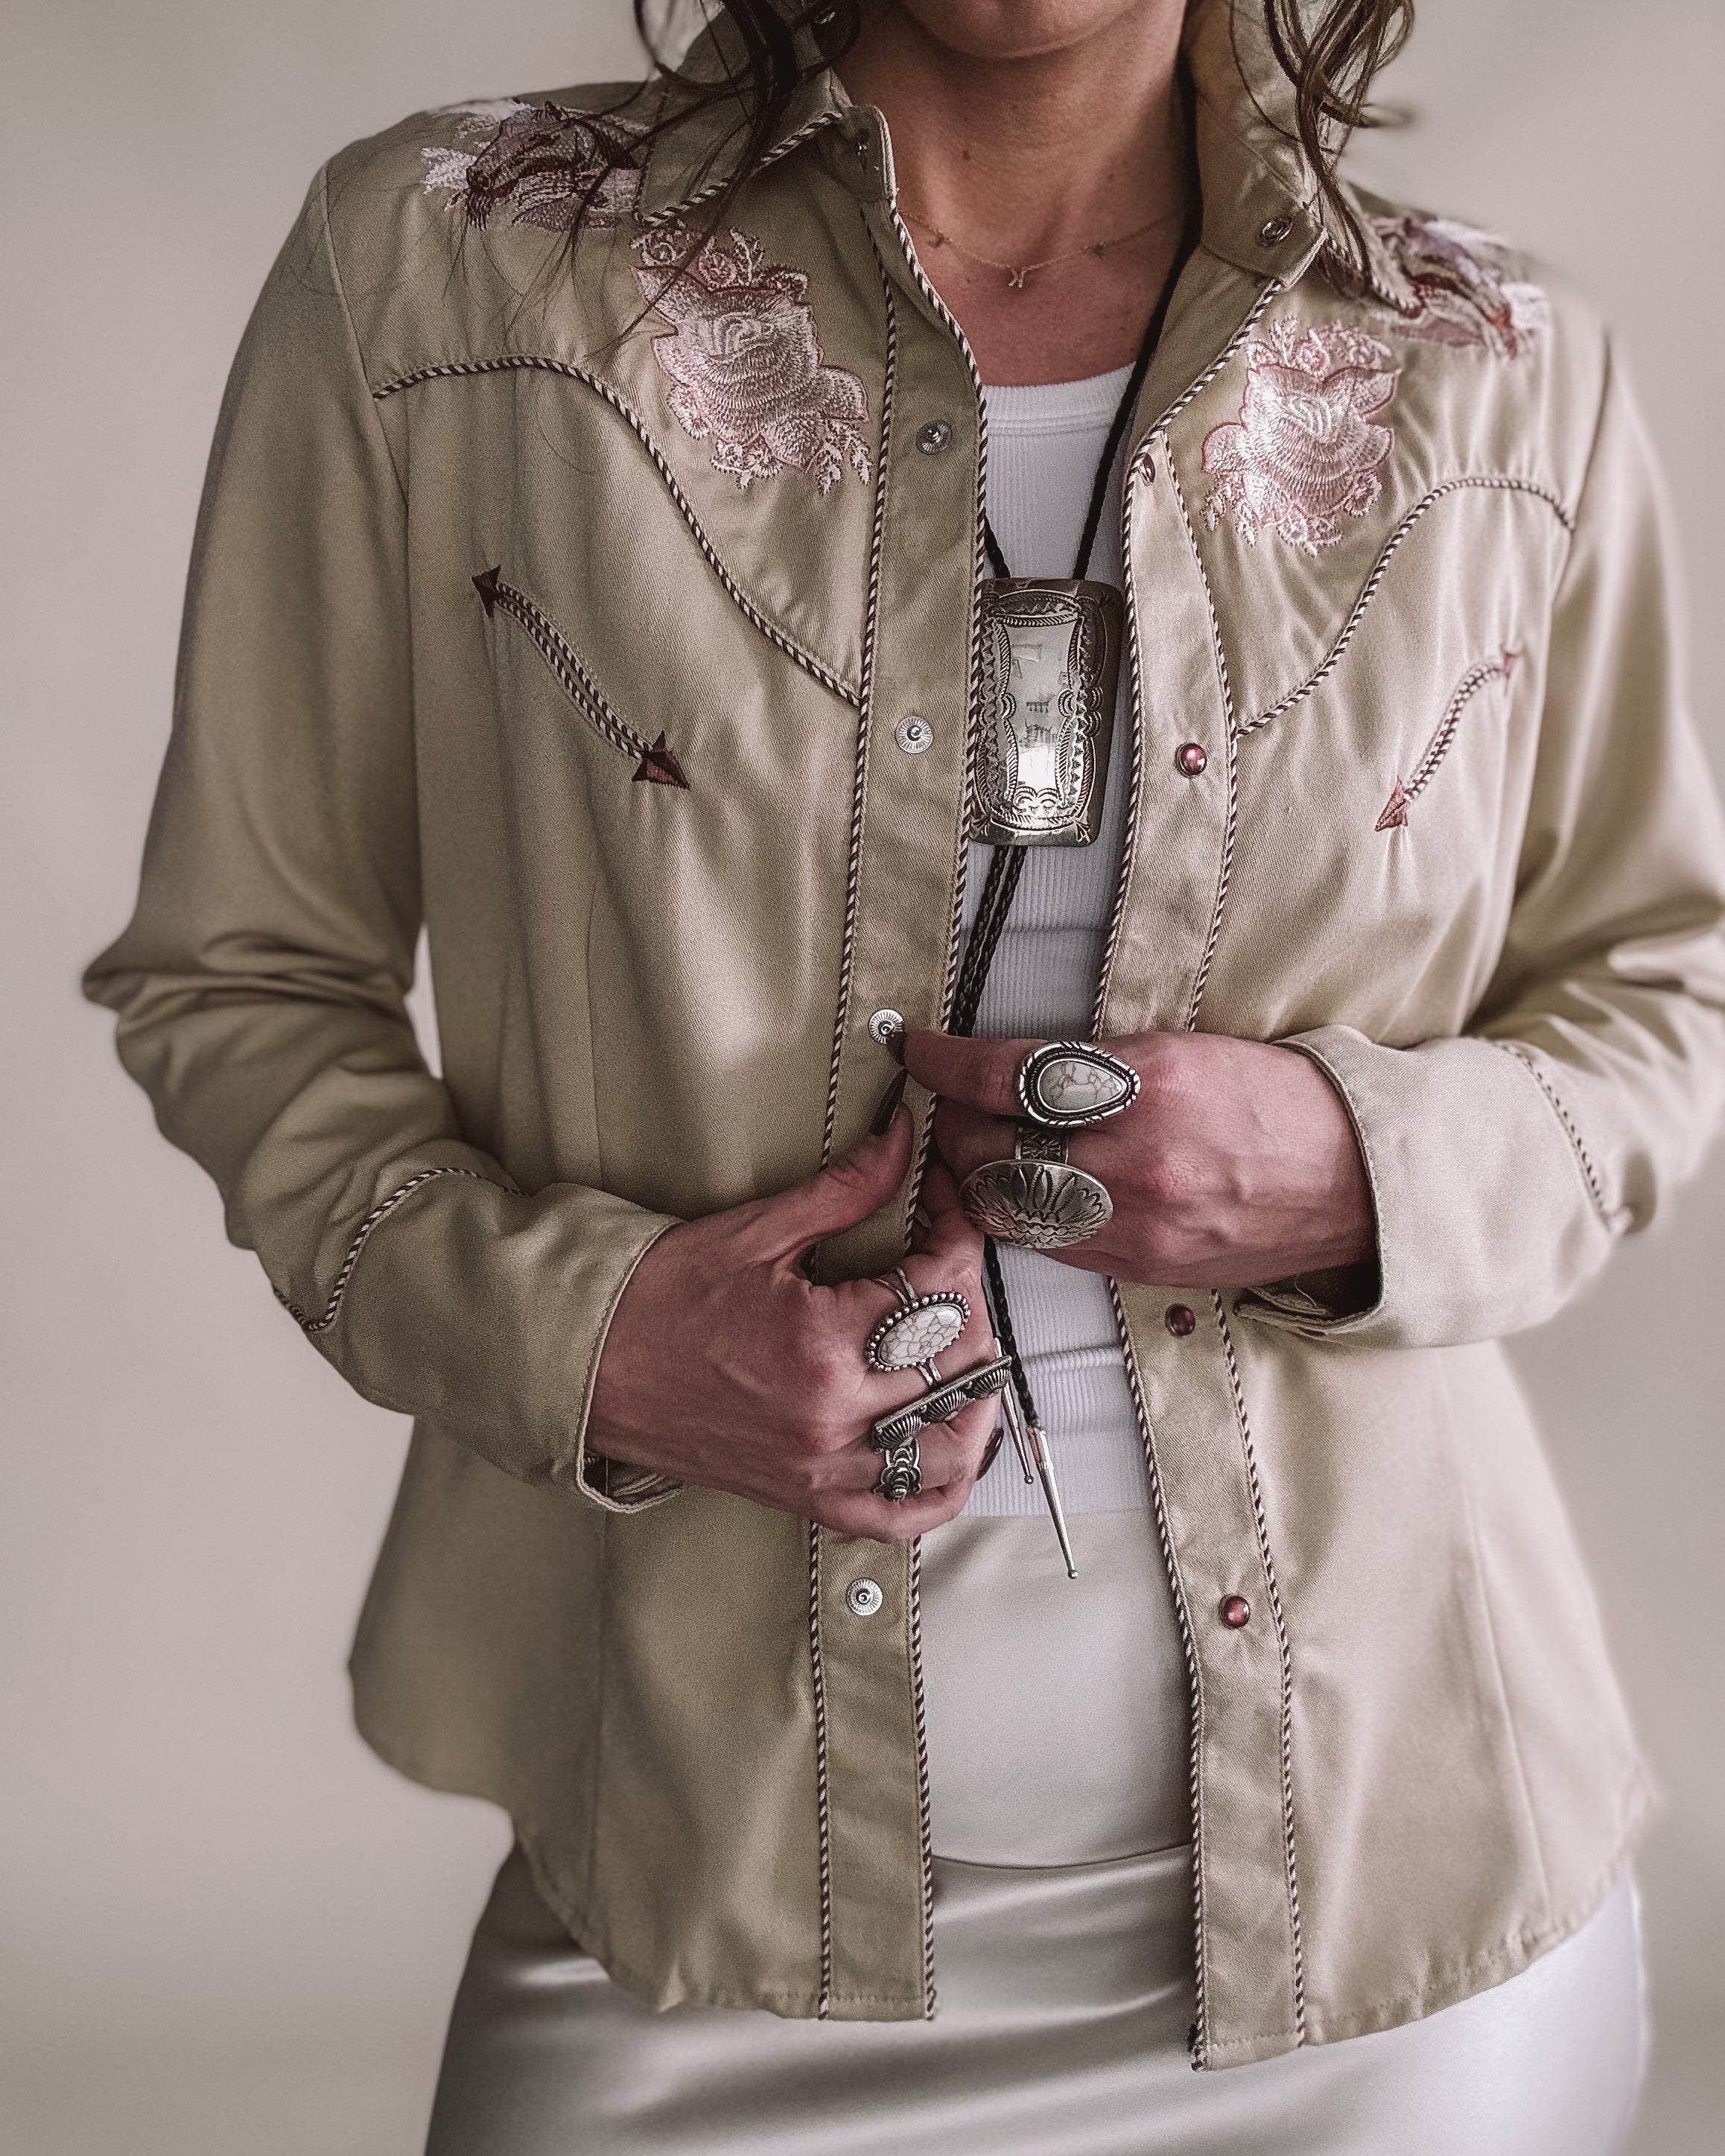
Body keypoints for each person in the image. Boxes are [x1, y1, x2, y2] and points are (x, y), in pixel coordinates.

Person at [84, 0, 1725, 2148]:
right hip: (700, 1878)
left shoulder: (1495, 362)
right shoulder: (453, 267)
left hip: (1390, 1926)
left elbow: (1656, 994)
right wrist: (587, 1337)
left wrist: (1360, 1164)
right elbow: (240, 974)